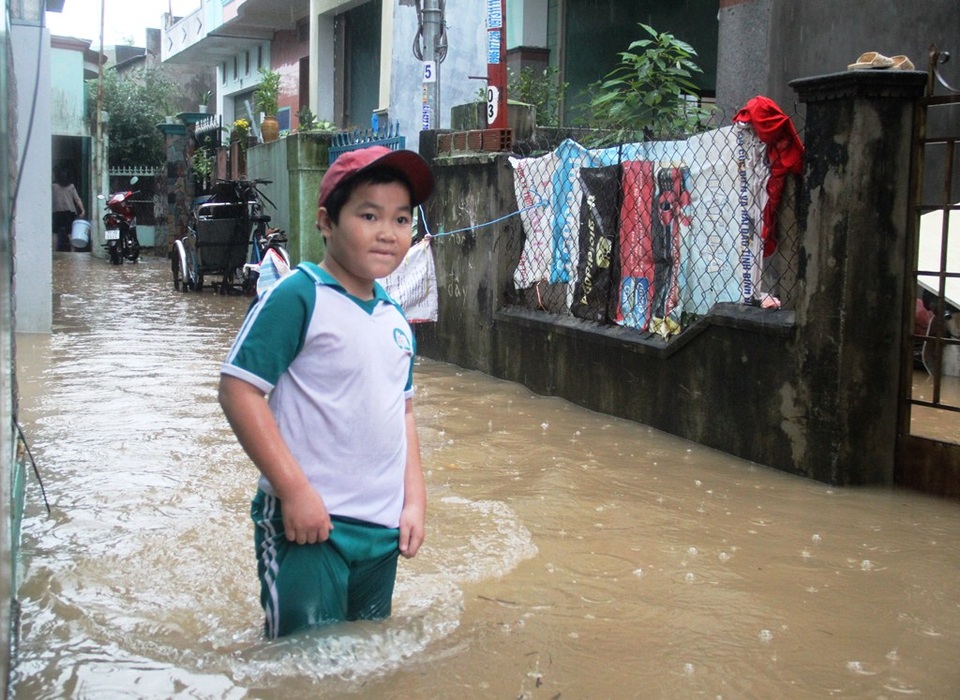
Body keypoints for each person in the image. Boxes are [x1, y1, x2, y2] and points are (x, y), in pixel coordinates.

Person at [218, 146, 434, 638]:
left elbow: (403, 415)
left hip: (381, 533)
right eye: (369, 215)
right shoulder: (298, 295)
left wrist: (414, 503)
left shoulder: (396, 319)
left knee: (364, 658)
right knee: (303, 664)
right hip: (309, 526)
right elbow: (238, 391)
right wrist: (295, 492)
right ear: (326, 221)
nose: (388, 232)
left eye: (402, 219)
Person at [52, 167, 85, 251]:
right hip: (69, 212)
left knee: (54, 233)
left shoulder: (53, 187)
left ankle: (53, 251)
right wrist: (82, 210)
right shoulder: (71, 187)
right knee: (70, 233)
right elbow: (77, 199)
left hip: (56, 211)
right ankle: (72, 251)